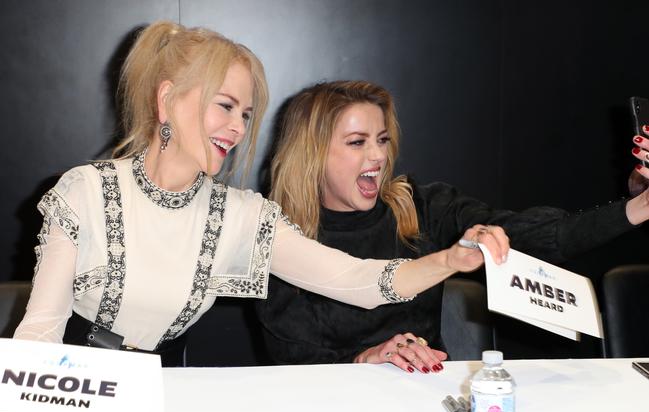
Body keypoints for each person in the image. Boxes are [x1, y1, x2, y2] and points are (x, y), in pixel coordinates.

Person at [12, 22, 509, 367]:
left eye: (246, 115)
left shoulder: (240, 216)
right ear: (166, 100)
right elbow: (40, 332)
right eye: (224, 106)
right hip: (72, 385)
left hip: (162, 395)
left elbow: (354, 278)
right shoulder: (85, 191)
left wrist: (448, 260)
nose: (237, 128)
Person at [257, 80, 649, 372]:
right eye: (358, 142)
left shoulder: (423, 206)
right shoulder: (280, 237)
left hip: (425, 403)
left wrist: (635, 208)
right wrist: (367, 359)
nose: (378, 155)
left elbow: (536, 236)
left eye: (382, 139)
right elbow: (294, 360)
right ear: (312, 154)